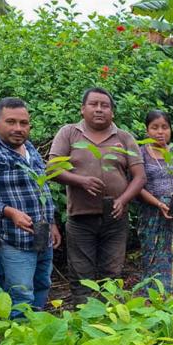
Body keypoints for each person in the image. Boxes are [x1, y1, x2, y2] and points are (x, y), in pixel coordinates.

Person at [0, 98, 61, 317]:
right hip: (11, 239)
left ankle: (36, 338)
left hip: (40, 234)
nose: (18, 128)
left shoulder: (28, 147)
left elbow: (41, 188)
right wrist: (8, 212)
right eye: (11, 122)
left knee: (41, 286)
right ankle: (19, 342)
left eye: (23, 123)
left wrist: (52, 223)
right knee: (19, 296)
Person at [49, 88, 146, 304]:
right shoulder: (69, 133)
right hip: (80, 217)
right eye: (94, 104)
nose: (99, 109)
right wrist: (80, 181)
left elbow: (139, 177)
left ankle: (108, 319)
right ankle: (83, 319)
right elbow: (52, 170)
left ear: (112, 112)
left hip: (115, 216)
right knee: (81, 273)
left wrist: (122, 200)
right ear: (83, 109)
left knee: (111, 272)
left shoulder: (123, 137)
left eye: (105, 105)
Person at [138, 110, 173, 293]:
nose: (160, 132)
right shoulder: (141, 154)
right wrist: (158, 203)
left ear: (170, 130)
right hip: (152, 214)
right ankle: (152, 296)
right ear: (147, 130)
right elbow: (138, 185)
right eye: (154, 127)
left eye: (164, 127)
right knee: (152, 254)